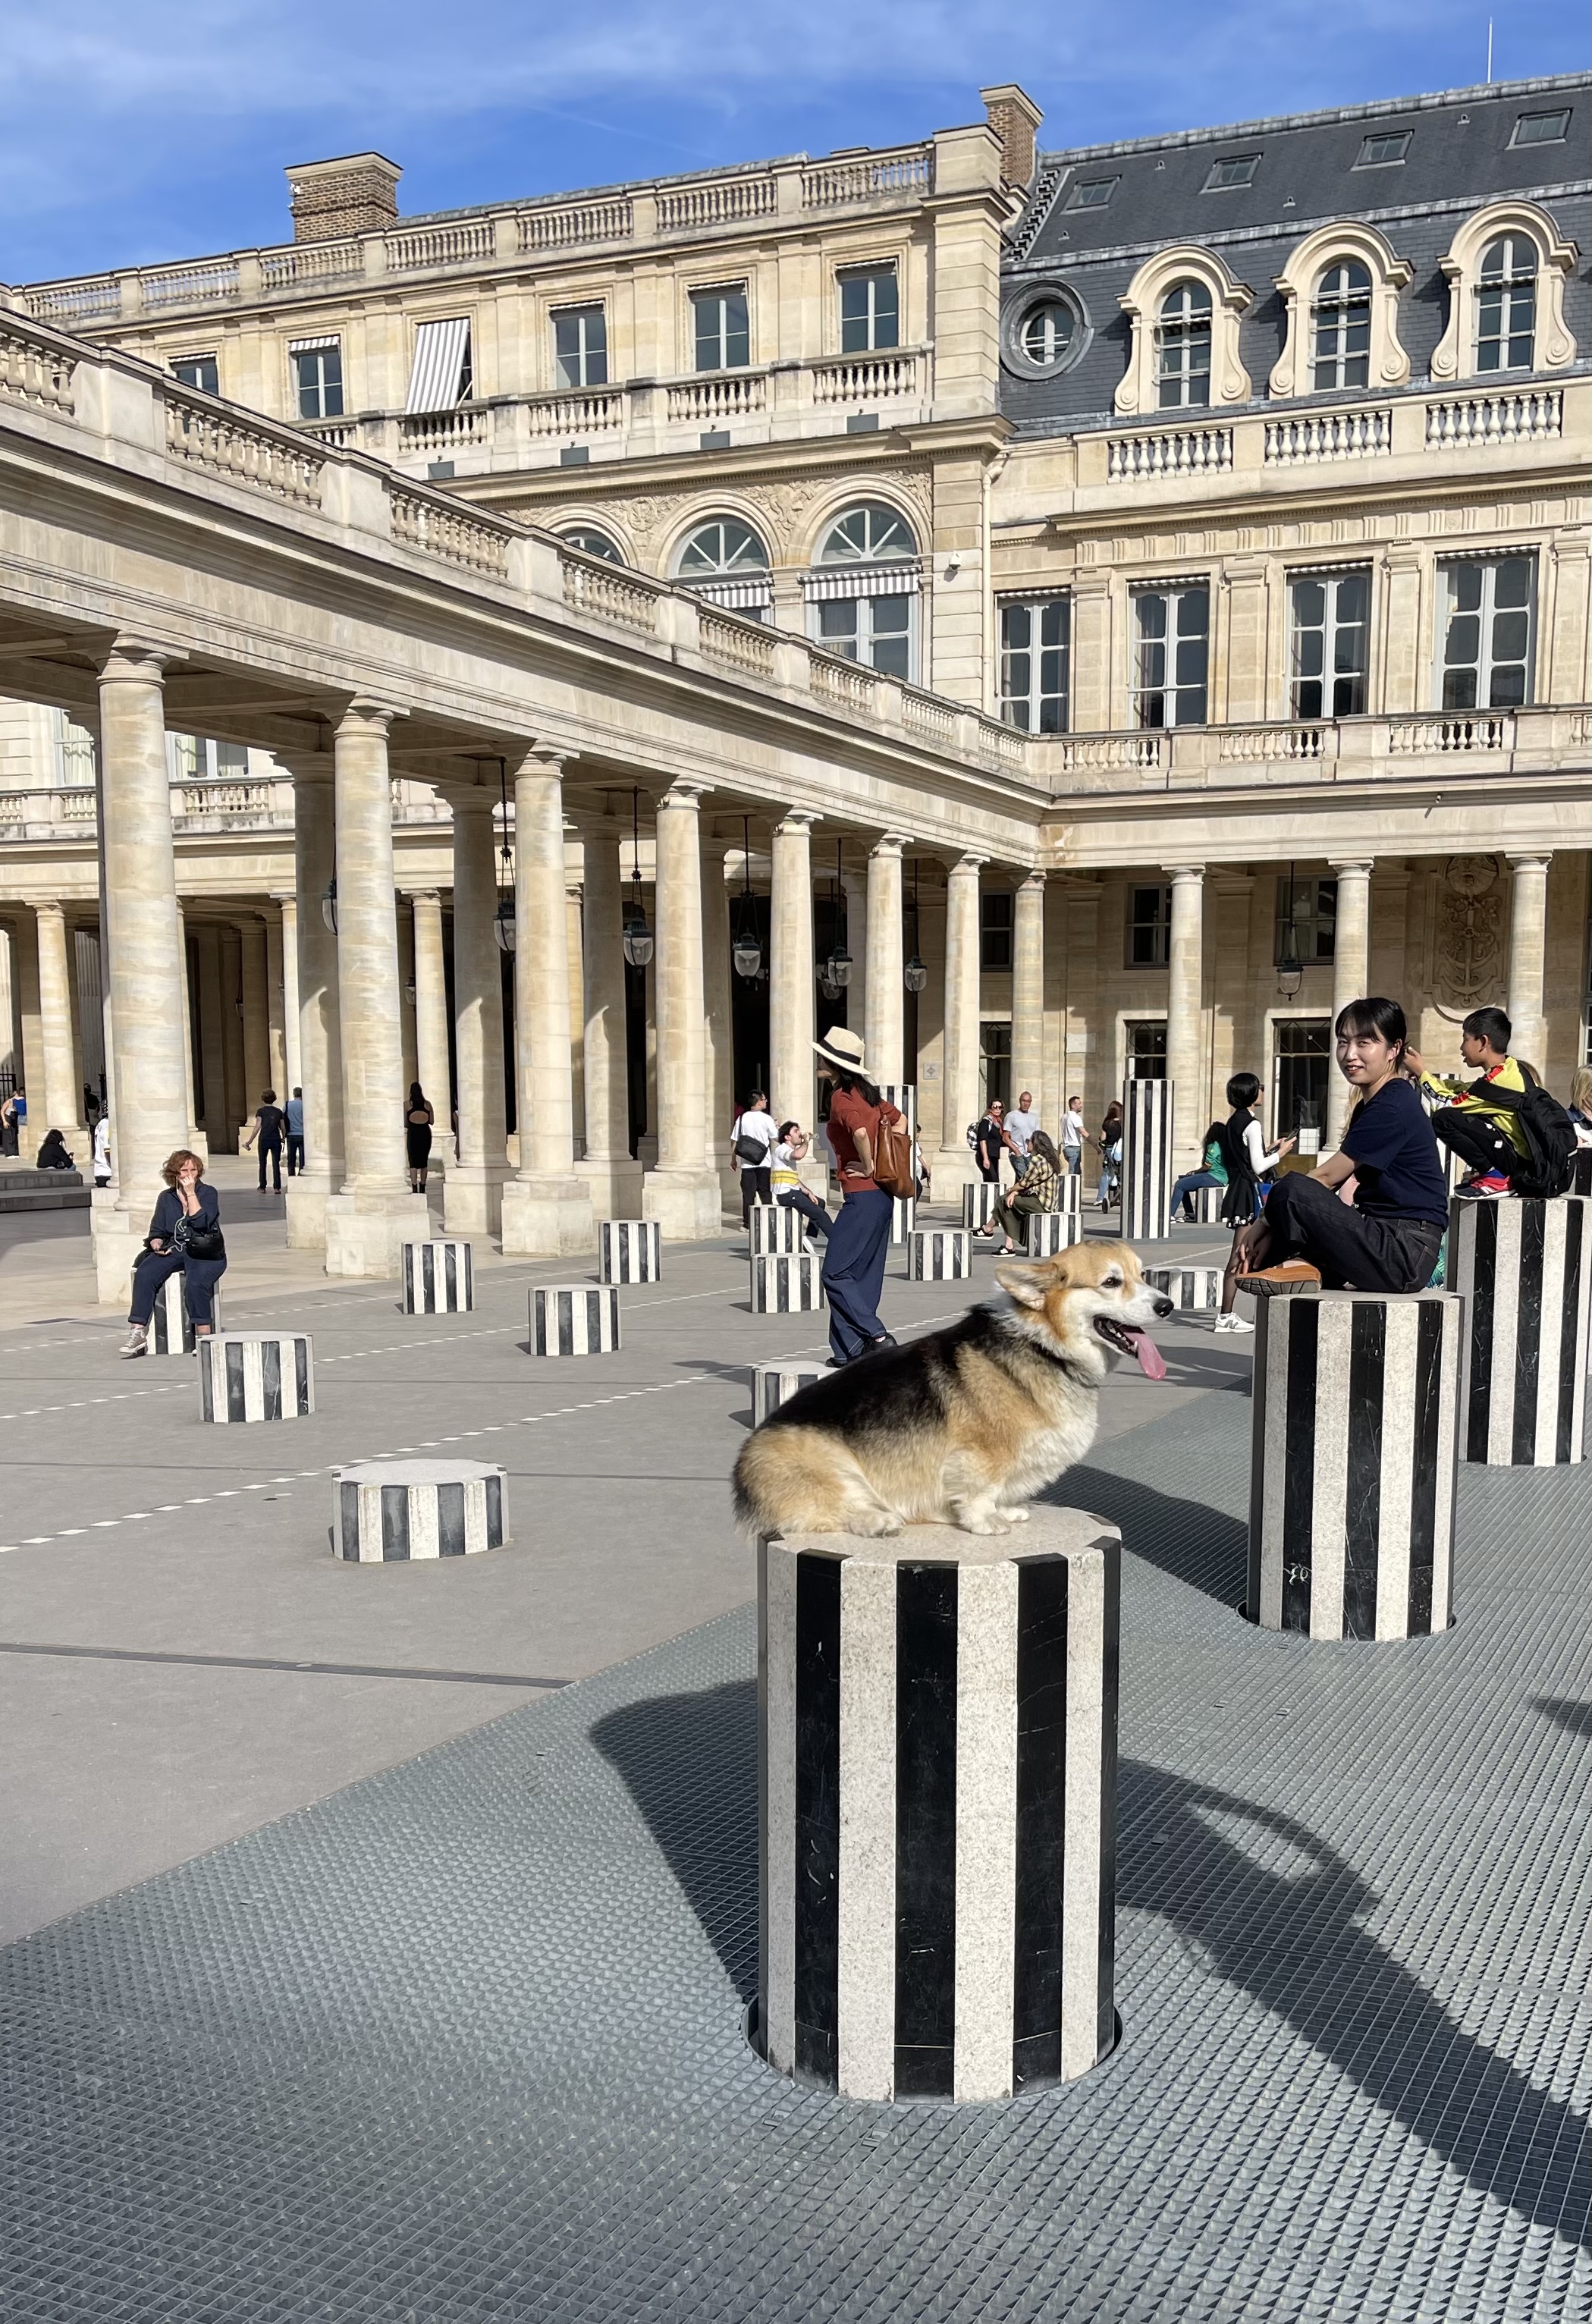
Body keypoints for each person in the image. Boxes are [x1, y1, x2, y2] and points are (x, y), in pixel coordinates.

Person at [1223, 999, 1446, 1321]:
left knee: (1290, 1189)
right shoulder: (1372, 1105)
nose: (1349, 1054)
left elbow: (1326, 1178)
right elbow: (1334, 1188)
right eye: (1343, 1042)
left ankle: (1302, 1264)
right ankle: (1301, 1267)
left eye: (1364, 1043)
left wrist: (1262, 1223)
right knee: (1270, 1248)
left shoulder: (1394, 1102)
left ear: (1394, 1049)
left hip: (1404, 1251)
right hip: (1381, 1237)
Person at [814, 1026, 902, 1368]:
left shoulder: (841, 1097)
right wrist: (883, 1163)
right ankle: (847, 1350)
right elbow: (902, 1124)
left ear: (834, 1064)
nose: (818, 1060)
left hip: (862, 1196)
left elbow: (861, 1133)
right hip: (883, 1196)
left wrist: (867, 1165)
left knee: (834, 1273)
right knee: (862, 1274)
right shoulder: (869, 1095)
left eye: (823, 1056)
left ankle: (878, 1337)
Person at [1408, 1006, 1536, 1198]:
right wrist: (1428, 1078)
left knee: (1444, 1119)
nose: (1461, 1048)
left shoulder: (1497, 1081)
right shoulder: (1510, 1069)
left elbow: (1446, 1104)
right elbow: (1467, 1090)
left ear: (1483, 1042)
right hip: (1521, 1158)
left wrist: (1421, 1074)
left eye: (1465, 1039)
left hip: (1516, 1161)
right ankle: (1495, 1173)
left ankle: (1496, 1176)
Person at [120, 1149, 226, 1358]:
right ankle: (138, 1331)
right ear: (174, 1174)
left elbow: (201, 1223)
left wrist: (191, 1194)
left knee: (196, 1283)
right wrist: (156, 1242)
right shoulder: (166, 1197)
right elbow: (157, 1230)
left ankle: (203, 1335)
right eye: (184, 1171)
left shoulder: (208, 1193)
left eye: (193, 1170)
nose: (189, 1175)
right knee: (145, 1273)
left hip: (205, 1252)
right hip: (176, 1249)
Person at [982, 1130, 1062, 1255]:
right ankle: (1003, 1241)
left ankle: (989, 1230)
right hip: (1049, 1204)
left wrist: (1010, 1190)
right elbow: (1032, 1184)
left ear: (1035, 1144)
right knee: (1008, 1202)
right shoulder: (1048, 1160)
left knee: (1003, 1200)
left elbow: (1024, 1183)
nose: (1027, 1143)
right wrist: (1015, 1193)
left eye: (1029, 1141)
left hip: (1041, 1204)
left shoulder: (1037, 1160)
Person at [771, 1120, 830, 1244]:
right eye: (796, 1131)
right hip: (787, 1194)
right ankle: (839, 1242)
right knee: (820, 1215)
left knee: (820, 1203)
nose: (800, 1134)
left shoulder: (787, 1152)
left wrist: (808, 1192)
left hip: (793, 1191)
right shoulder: (782, 1149)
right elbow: (798, 1155)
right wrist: (806, 1142)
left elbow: (793, 1180)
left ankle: (809, 1238)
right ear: (787, 1137)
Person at [733, 1091, 777, 1225]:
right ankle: (770, 1221)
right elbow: (775, 1137)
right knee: (765, 1192)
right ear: (758, 1102)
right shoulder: (767, 1119)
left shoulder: (742, 1118)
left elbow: (735, 1140)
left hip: (747, 1162)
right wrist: (777, 1127)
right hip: (764, 1161)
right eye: (764, 1099)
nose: (766, 1101)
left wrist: (733, 1159)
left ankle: (748, 1223)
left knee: (748, 1194)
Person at [242, 1088, 287, 1192]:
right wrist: (283, 1137)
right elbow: (283, 1127)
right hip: (276, 1139)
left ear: (263, 1099)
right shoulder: (278, 1112)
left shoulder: (261, 1111)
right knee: (276, 1164)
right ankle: (277, 1188)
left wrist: (250, 1141)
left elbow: (257, 1126)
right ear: (274, 1099)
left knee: (262, 1163)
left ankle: (262, 1187)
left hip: (264, 1138)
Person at [405, 1083, 435, 1194]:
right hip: (425, 1133)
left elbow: (405, 1123)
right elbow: (431, 1121)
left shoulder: (407, 1104)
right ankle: (423, 1186)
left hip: (413, 1133)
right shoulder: (428, 1104)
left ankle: (414, 1186)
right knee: (424, 1161)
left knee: (413, 1161)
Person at [1003, 1091, 1040, 1175]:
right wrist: (1017, 1152)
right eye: (1024, 1101)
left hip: (1029, 1154)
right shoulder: (1011, 1116)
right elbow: (1005, 1137)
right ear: (1020, 1101)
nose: (1025, 1104)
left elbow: (1036, 1135)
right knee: (1024, 1178)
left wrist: (1031, 1144)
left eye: (1028, 1101)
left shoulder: (1034, 1117)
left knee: (1030, 1178)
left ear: (1031, 1102)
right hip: (1017, 1154)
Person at [1097, 1101, 1123, 1211]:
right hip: (1120, 1150)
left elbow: (1102, 1138)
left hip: (1109, 1150)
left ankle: (1100, 1198)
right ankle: (1119, 1194)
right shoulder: (1122, 1123)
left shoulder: (1107, 1124)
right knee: (1119, 1172)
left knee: (1107, 1173)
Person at [973, 1098, 1006, 1186]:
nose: (997, 1109)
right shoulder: (986, 1121)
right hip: (986, 1156)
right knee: (992, 1180)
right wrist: (986, 1158)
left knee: (994, 1181)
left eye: (1000, 1107)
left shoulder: (999, 1124)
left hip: (995, 1157)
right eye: (995, 1107)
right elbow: (982, 1140)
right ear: (990, 1109)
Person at [1062, 1094, 1085, 1181]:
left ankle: (1074, 1189)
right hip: (1074, 1147)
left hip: (1067, 1147)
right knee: (1074, 1174)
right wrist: (1095, 1145)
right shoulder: (1075, 1117)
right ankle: (1071, 1190)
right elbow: (1083, 1132)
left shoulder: (1064, 1116)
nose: (1081, 1105)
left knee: (1076, 1172)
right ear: (1073, 1105)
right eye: (1078, 1104)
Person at [284, 1087, 306, 1176]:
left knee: (291, 1157)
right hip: (303, 1134)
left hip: (291, 1134)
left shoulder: (287, 1105)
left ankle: (291, 1174)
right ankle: (301, 1173)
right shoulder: (305, 1105)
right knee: (303, 1157)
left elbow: (283, 1118)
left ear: (294, 1094)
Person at [92, 1110, 112, 1187]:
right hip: (107, 1172)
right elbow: (107, 1150)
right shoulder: (108, 1125)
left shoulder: (101, 1123)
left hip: (100, 1171)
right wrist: (114, 1168)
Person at [1, 1088, 21, 1157]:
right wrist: (4, 1121)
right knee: (8, 1135)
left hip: (14, 1118)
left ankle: (15, 1152)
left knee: (14, 1134)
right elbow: (2, 1111)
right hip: (7, 1118)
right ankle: (9, 1153)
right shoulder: (9, 1101)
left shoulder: (18, 1102)